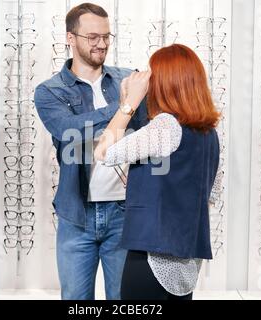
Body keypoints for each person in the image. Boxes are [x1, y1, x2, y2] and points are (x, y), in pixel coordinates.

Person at [34, 3, 147, 300]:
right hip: (76, 216)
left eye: (107, 36)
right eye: (93, 37)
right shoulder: (50, 91)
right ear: (70, 38)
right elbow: (67, 130)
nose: (102, 44)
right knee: (76, 300)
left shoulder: (127, 78)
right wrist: (122, 106)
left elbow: (151, 133)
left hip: (124, 213)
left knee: (125, 300)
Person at [95, 44, 221, 300]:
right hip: (186, 258)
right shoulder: (210, 134)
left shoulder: (166, 126)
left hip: (151, 256)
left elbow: (104, 152)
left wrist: (128, 104)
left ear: (165, 83)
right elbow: (210, 194)